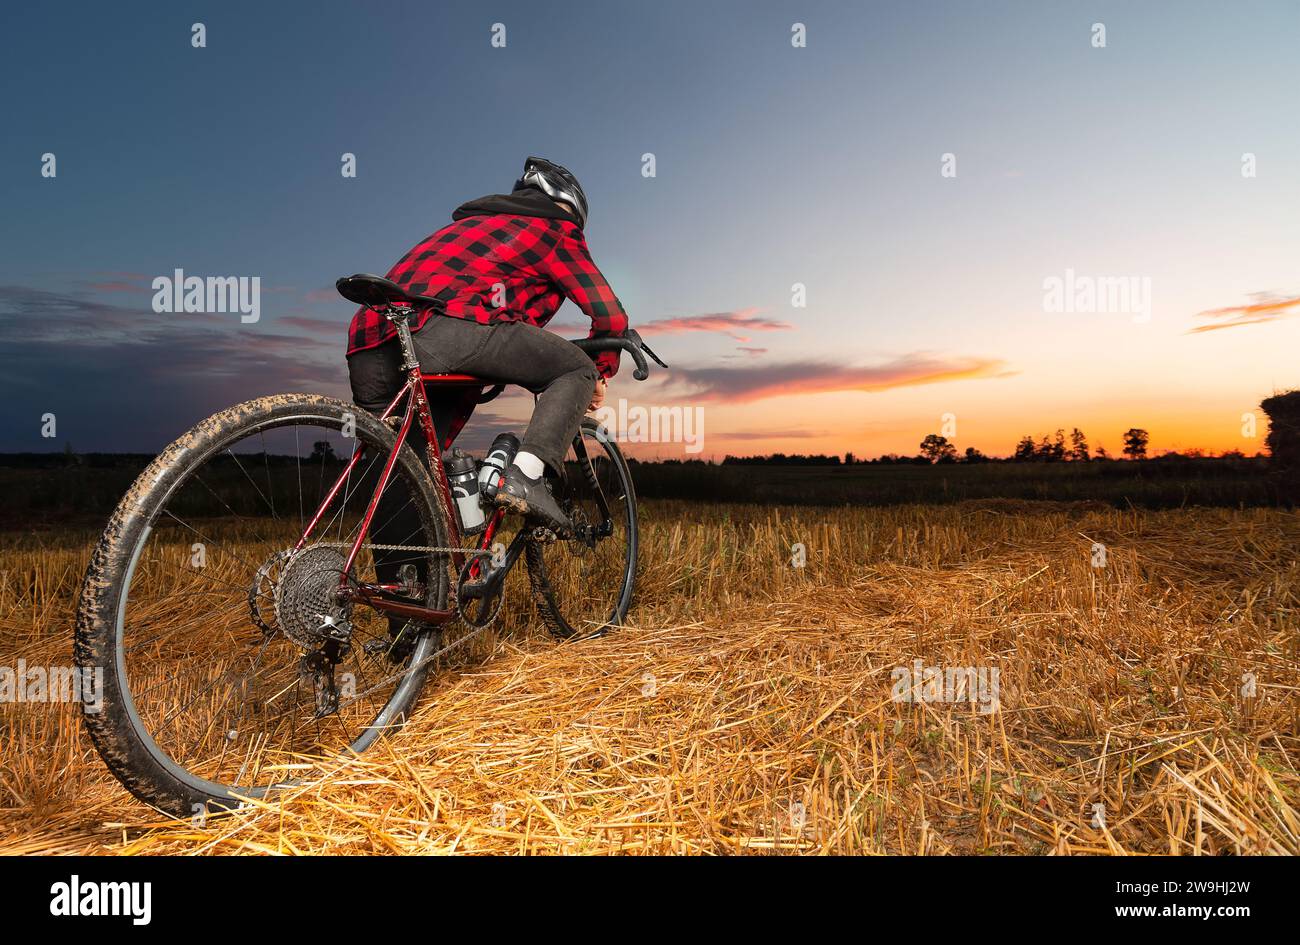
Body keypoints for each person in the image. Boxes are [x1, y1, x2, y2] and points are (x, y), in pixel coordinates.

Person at [346, 156, 630, 534]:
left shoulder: (473, 225)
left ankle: (408, 588)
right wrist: (600, 371)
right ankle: (526, 477)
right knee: (576, 367)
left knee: (404, 471)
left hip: (370, 335)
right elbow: (610, 315)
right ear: (569, 206)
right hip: (443, 329)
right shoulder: (555, 228)